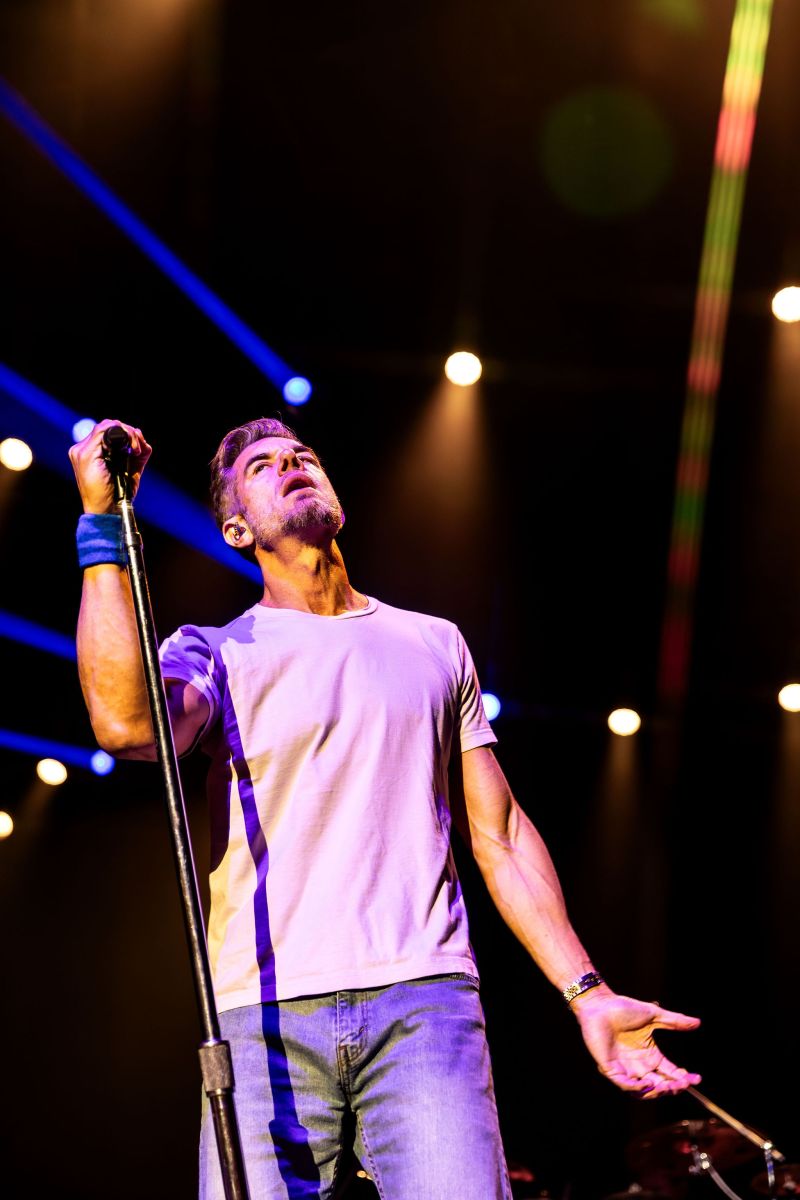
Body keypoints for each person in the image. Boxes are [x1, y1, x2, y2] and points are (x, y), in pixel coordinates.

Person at [69, 417, 701, 1200]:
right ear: (237, 529)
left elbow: (500, 834)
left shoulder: (433, 643)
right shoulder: (215, 650)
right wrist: (101, 524)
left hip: (424, 1001)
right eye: (262, 466)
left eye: (302, 454)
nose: (291, 463)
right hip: (265, 1014)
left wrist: (589, 992)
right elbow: (127, 726)